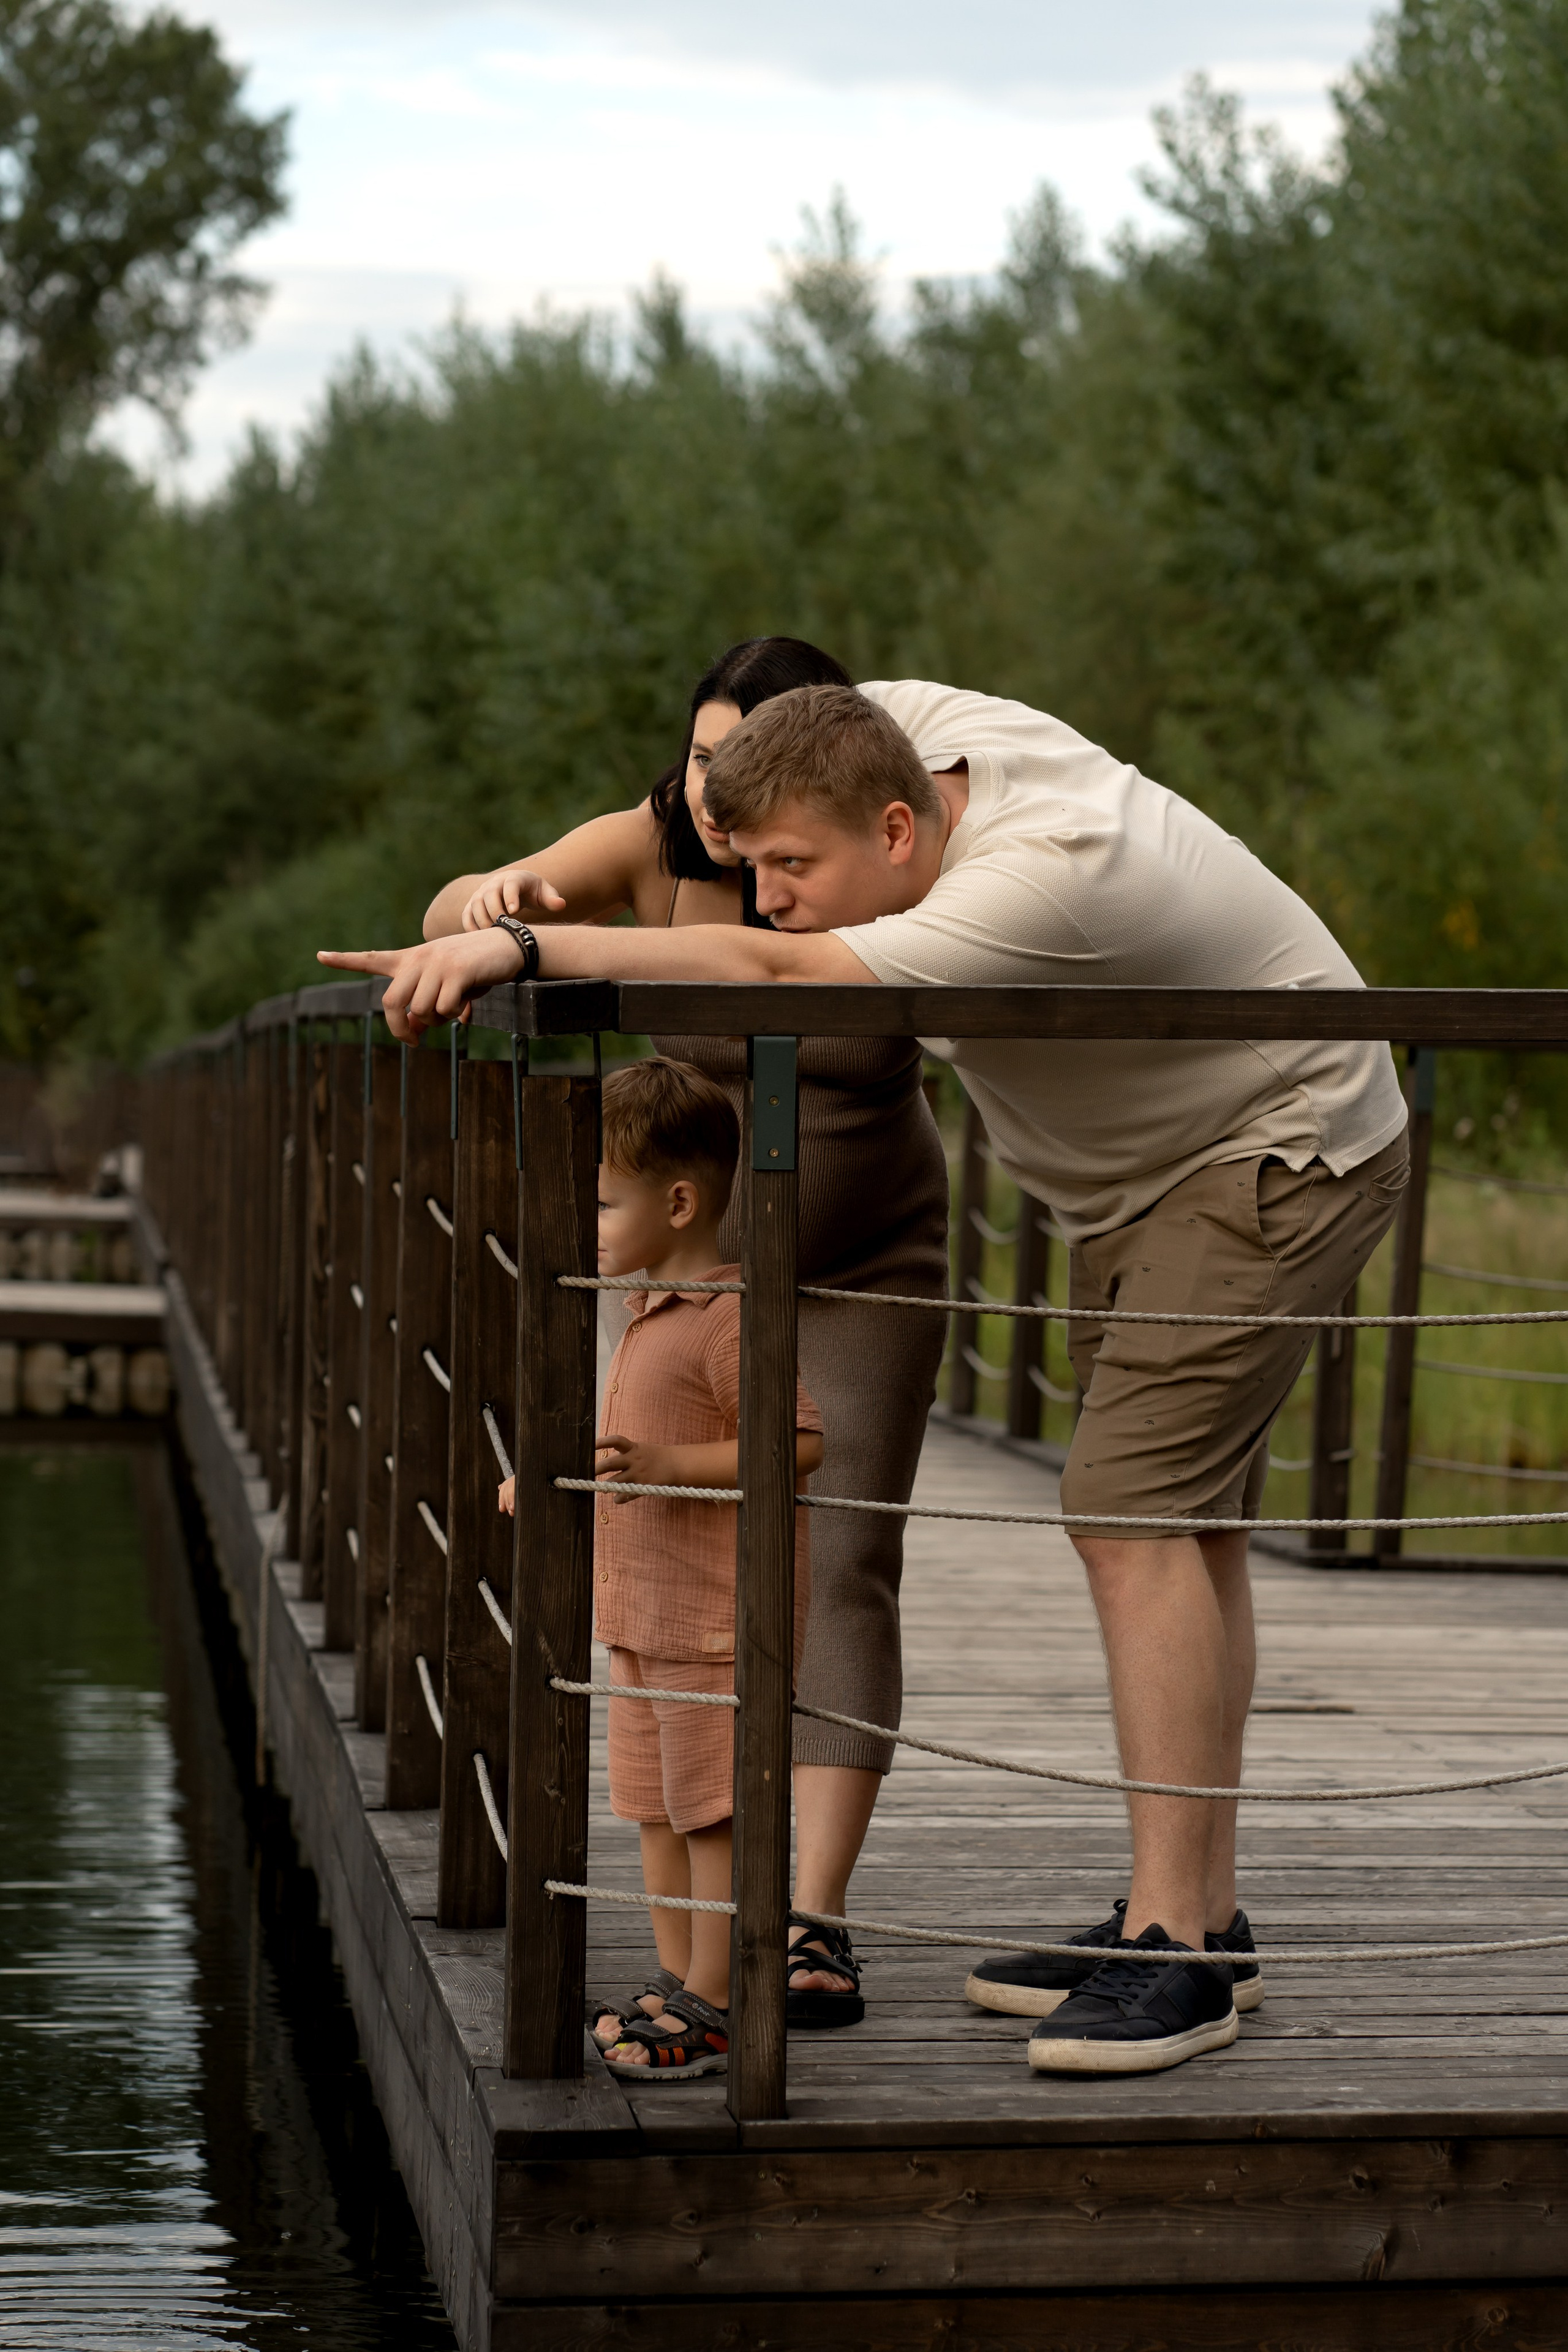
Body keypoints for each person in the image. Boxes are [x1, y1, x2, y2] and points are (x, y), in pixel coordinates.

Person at [324, 674, 1412, 2078]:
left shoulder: (1028, 880)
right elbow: (719, 795)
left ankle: (1180, 1959)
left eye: (791, 869)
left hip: (1276, 1142)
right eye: (752, 864)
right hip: (1145, 1177)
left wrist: (532, 952)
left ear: (895, 830)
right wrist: (528, 884)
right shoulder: (887, 721)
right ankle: (1192, 1911)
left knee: (1128, 1516)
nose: (766, 897)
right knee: (1182, 1522)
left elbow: (776, 981)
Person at [423, 639, 952, 2029]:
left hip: (861, 1259)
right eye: (707, 754)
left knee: (839, 1562)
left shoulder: (847, 858)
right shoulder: (654, 840)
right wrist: (493, 897)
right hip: (698, 1282)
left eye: (754, 758)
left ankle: (809, 1921)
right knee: (676, 1585)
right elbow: (455, 914)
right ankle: (696, 1917)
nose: (721, 790)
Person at [499, 1057, 824, 2081]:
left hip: (713, 1621)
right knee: (650, 1806)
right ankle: (679, 1982)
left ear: (679, 1201)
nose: (584, 1221)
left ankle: (721, 2001)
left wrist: (671, 1468)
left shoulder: (728, 1316)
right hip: (639, 1618)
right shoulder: (646, 1309)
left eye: (600, 1201)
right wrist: (559, 1487)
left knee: (711, 1809)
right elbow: (620, 1457)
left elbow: (802, 1442)